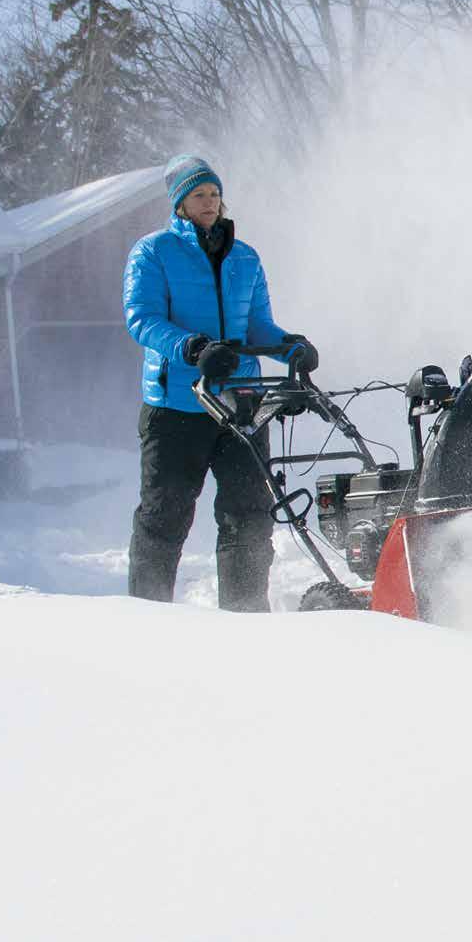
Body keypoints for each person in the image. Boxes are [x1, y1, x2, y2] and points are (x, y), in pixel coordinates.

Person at [123, 154, 318, 611]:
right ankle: (145, 619)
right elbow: (142, 319)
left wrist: (289, 347)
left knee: (248, 516)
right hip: (177, 407)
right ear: (179, 204)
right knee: (164, 517)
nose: (209, 203)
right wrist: (193, 348)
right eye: (199, 196)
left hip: (241, 407)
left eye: (214, 194)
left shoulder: (245, 257)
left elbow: (257, 327)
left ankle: (245, 615)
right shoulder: (153, 253)